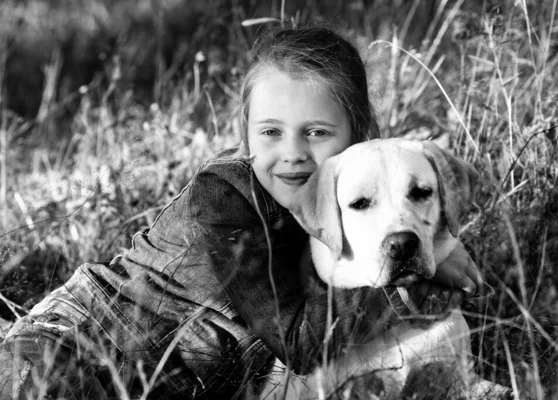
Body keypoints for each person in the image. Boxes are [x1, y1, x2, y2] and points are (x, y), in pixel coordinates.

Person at [0, 26, 482, 399]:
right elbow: (301, 344)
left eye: (316, 132)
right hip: (82, 343)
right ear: (246, 134)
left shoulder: (353, 190)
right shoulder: (226, 199)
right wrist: (425, 272)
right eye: (271, 132)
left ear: (357, 136)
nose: (292, 153)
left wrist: (426, 244)